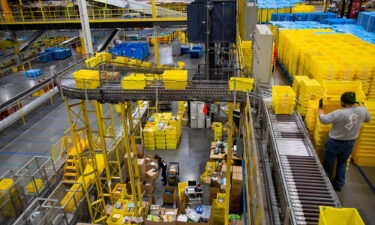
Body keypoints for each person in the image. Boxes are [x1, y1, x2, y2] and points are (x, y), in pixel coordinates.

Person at [318, 92, 371, 192]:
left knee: (329, 163)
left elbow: (323, 120)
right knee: (342, 163)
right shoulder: (362, 110)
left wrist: (320, 109)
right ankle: (338, 185)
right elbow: (368, 119)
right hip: (350, 143)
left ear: (342, 102)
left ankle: (326, 184)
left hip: (334, 142)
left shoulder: (339, 113)